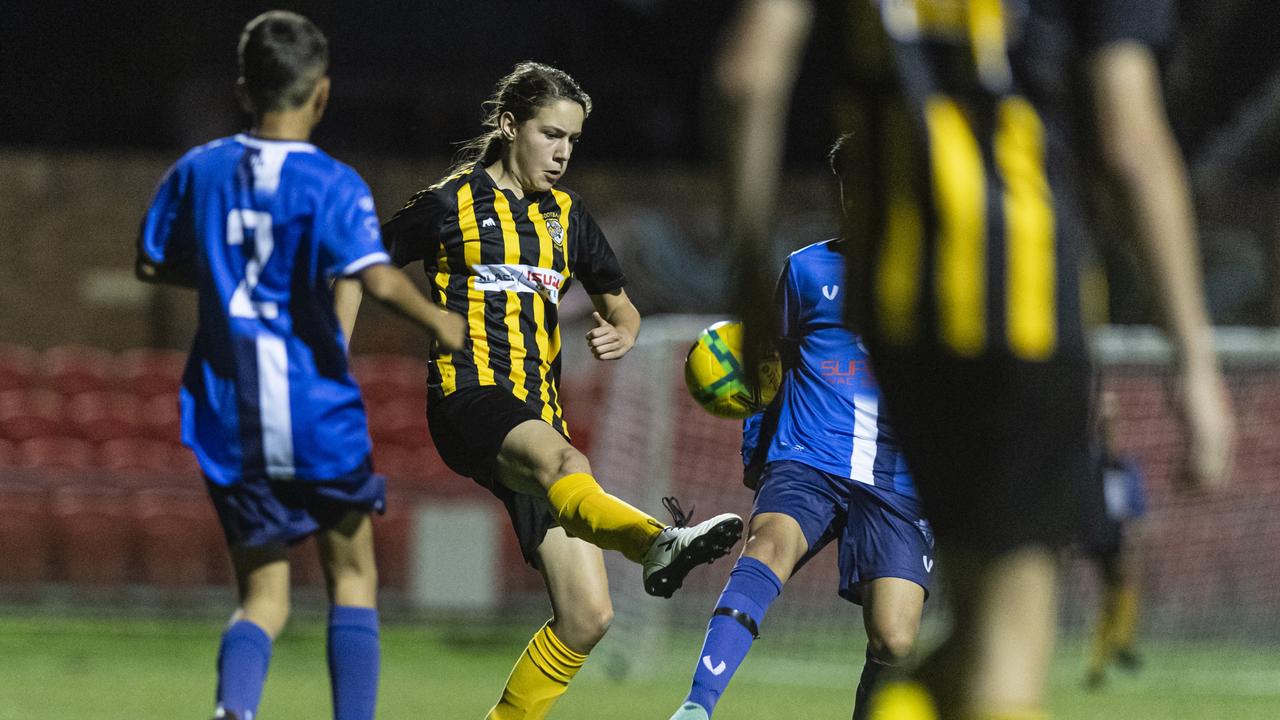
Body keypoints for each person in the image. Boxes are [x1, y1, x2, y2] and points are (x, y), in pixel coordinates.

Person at [713, 1, 1235, 718]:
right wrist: (1194, 358)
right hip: (1024, 304)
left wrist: (747, 275)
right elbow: (1131, 143)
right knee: (1007, 661)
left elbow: (747, 74)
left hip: (895, 316)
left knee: (975, 635)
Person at [355, 61, 743, 720]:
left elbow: (621, 307)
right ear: (510, 126)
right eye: (550, 134)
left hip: (539, 417)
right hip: (467, 397)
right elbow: (362, 263)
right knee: (570, 463)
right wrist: (426, 318)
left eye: (572, 140)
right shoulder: (448, 204)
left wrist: (621, 330)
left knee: (588, 616)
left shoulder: (568, 218)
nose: (562, 153)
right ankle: (656, 542)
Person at [136, 11, 466, 720]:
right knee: (352, 578)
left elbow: (151, 260)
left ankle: (235, 710)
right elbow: (375, 278)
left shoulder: (199, 170)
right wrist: (441, 320)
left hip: (233, 418)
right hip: (316, 414)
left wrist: (235, 286)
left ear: (242, 90)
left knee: (262, 595)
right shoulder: (333, 182)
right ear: (320, 95)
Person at [669, 135, 933, 720]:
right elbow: (766, 367)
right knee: (770, 543)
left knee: (894, 639)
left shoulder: (932, 275)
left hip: (897, 474)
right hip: (808, 456)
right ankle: (696, 707)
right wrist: (756, 453)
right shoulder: (806, 270)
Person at [1079, 390, 1147, 690]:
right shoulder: (1098, 461)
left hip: (1110, 529)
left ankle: (1099, 663)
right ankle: (1120, 642)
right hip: (1102, 531)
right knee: (1122, 583)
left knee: (1114, 593)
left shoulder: (1120, 465)